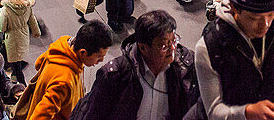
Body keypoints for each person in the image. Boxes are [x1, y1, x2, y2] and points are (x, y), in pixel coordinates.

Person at [71, 10, 200, 120]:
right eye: (163, 45)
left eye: (174, 40)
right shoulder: (114, 75)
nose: (172, 48)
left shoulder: (186, 66)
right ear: (143, 47)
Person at [23, 22, 113, 120]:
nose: (101, 61)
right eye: (99, 57)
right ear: (83, 52)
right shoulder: (64, 81)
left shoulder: (65, 46)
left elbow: (38, 63)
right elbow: (40, 116)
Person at [0, 0, 41, 85]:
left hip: (12, 39)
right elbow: (32, 20)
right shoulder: (27, 6)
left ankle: (23, 86)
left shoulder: (6, 10)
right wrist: (36, 32)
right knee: (17, 59)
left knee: (16, 66)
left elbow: (1, 27)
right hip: (23, 35)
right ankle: (14, 77)